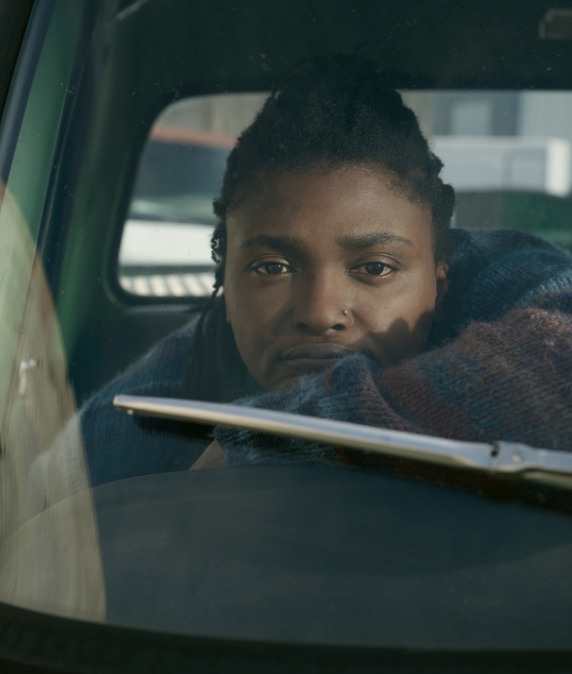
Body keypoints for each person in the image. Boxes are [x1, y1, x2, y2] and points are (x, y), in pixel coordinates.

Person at [81, 57, 572, 485]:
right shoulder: (154, 403)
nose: (318, 314)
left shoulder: (505, 280)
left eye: (375, 268)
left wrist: (276, 437)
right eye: (272, 267)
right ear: (225, 285)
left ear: (440, 284)